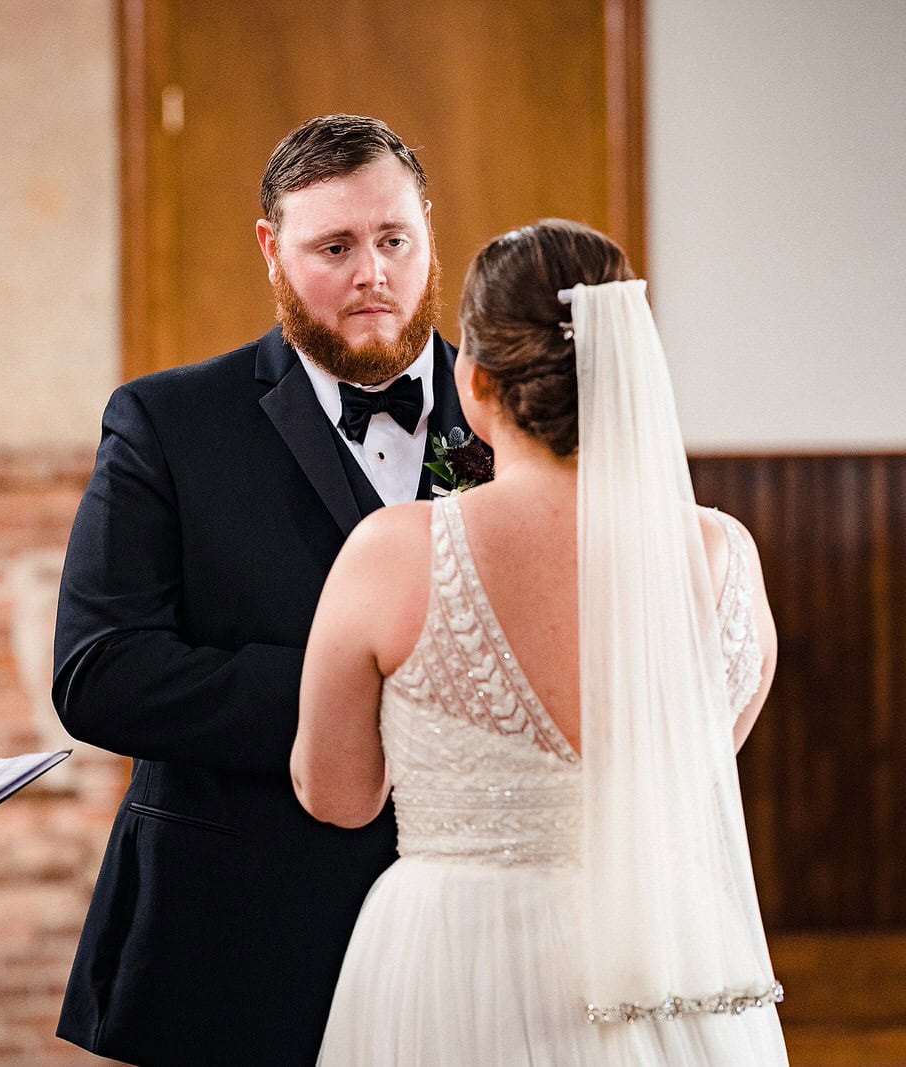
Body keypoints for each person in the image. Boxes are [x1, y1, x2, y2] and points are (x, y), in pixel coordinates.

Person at [293, 220, 788, 1064]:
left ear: (475, 380)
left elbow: (338, 796)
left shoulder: (394, 551)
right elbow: (694, 764)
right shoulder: (721, 556)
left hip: (452, 964)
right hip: (661, 957)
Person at [52, 115, 471, 1065]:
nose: (374, 273)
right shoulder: (167, 420)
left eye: (395, 239)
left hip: (469, 940)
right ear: (270, 249)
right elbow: (99, 672)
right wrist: (352, 692)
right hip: (236, 936)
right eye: (335, 246)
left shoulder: (515, 419)